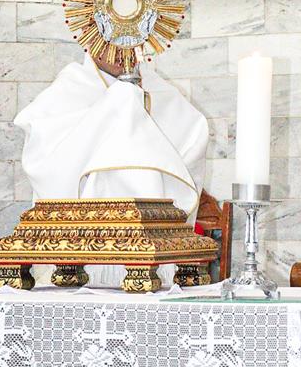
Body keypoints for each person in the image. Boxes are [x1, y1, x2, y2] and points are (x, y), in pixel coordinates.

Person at [15, 50, 209, 285]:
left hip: (151, 256)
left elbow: (193, 137)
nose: (122, 51)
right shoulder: (69, 89)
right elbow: (44, 161)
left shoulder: (161, 93)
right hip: (81, 254)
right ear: (90, 40)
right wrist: (114, 106)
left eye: (130, 41)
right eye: (111, 41)